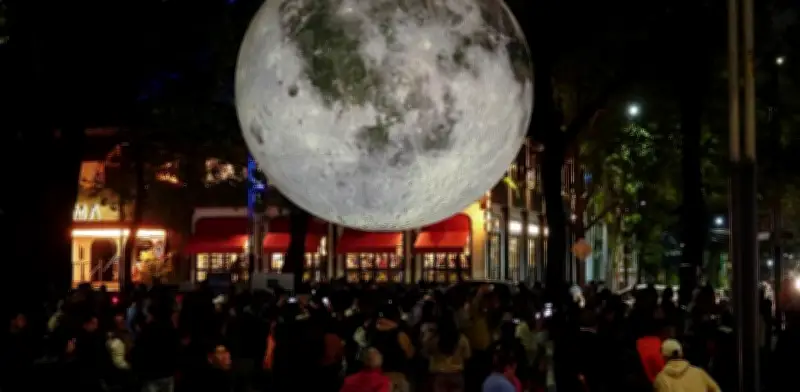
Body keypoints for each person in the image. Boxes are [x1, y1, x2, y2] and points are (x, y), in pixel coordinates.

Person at [422, 310, 471, 392]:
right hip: (456, 374)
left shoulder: (434, 339)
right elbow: (467, 356)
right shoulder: (462, 338)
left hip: (439, 375)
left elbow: (425, 353)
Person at [653, 339, 720, 392]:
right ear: (682, 354)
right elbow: (716, 390)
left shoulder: (660, 379)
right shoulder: (699, 373)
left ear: (663, 357)